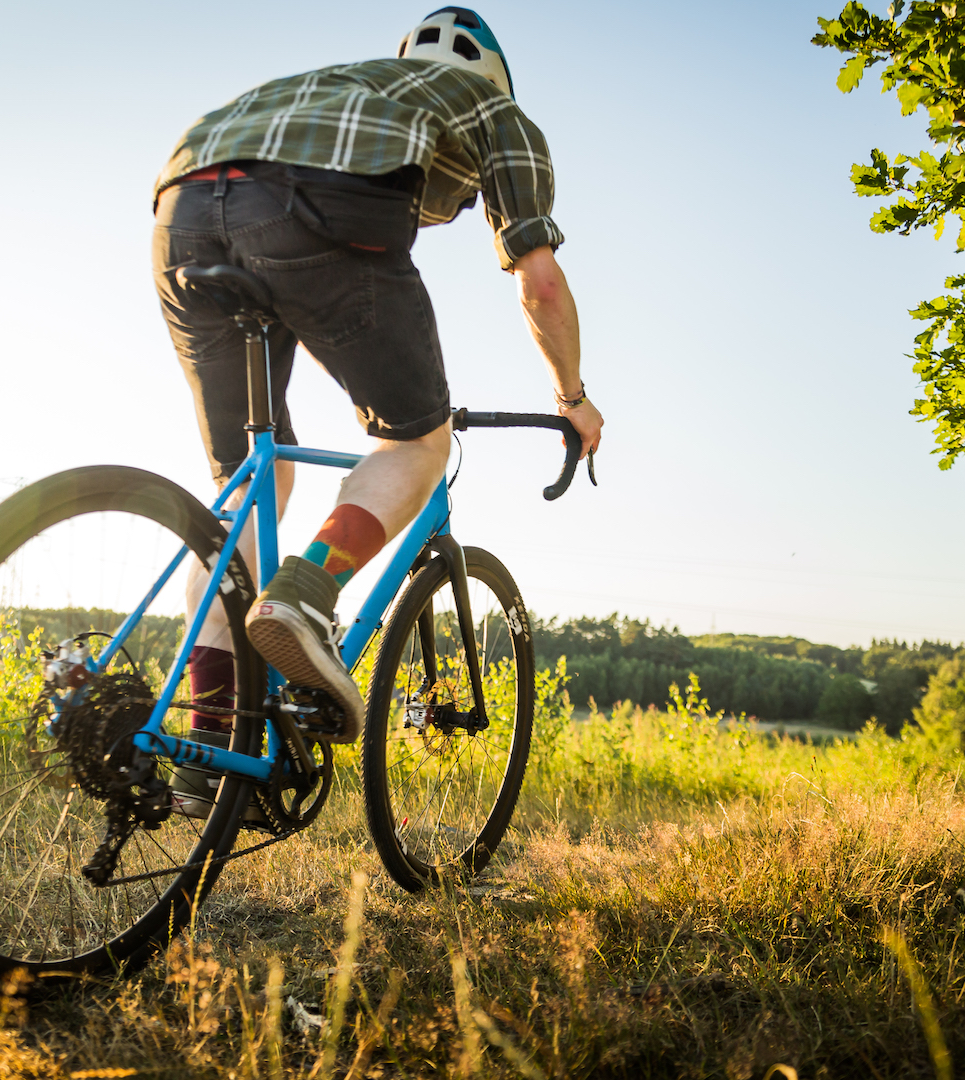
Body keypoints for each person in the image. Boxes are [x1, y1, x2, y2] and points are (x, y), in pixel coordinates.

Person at [151, 7, 603, 813]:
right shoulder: (496, 109)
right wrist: (572, 399)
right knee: (417, 445)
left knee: (258, 480)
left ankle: (207, 744)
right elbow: (538, 280)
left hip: (182, 205)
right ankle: (306, 594)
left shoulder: (347, 84)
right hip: (314, 207)